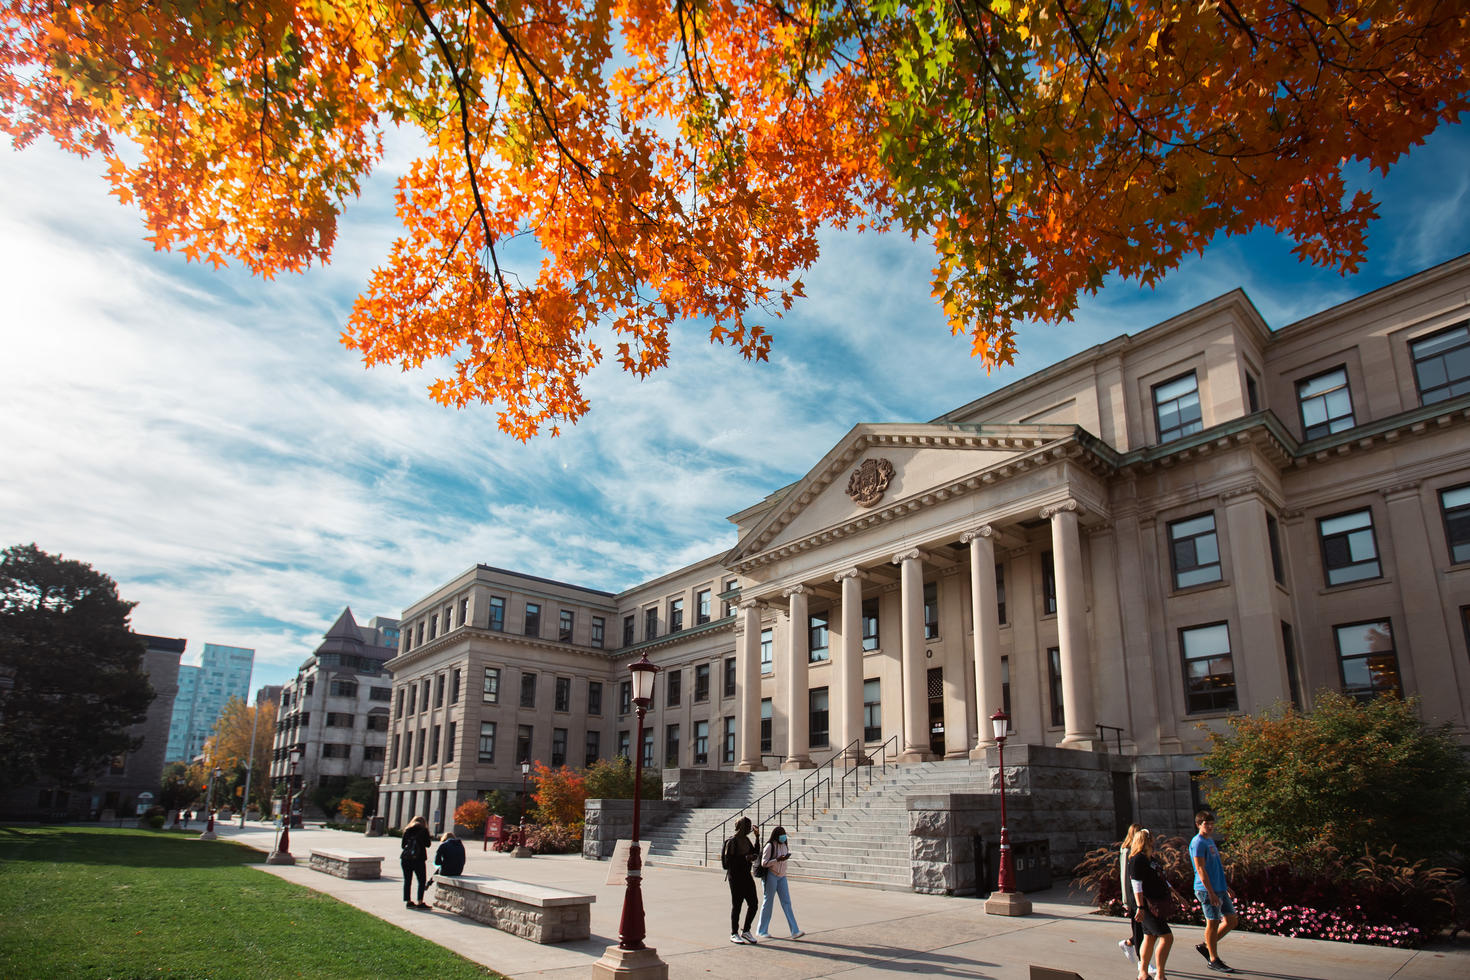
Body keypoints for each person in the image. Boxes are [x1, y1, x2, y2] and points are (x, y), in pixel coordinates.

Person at [1190, 810, 1238, 973]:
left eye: (1211, 824)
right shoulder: (1197, 843)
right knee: (1213, 922)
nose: (1210, 827)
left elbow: (1215, 866)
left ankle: (1206, 946)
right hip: (1207, 889)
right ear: (1198, 825)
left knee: (1231, 920)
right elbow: (1200, 869)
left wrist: (1226, 887)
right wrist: (1210, 892)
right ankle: (1213, 959)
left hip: (1219, 888)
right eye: (1206, 824)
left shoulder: (1209, 840)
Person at [1129, 829, 1180, 980]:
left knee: (1149, 937)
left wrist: (1177, 895)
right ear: (1144, 840)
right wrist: (1140, 907)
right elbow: (1136, 884)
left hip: (1156, 904)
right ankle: (1160, 975)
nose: (1153, 839)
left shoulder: (1151, 859)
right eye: (1150, 837)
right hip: (1147, 905)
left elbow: (1162, 878)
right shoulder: (1137, 859)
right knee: (1166, 937)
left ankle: (1143, 974)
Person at [754, 824, 803, 940]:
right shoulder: (770, 846)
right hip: (771, 875)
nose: (783, 836)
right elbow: (764, 863)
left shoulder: (784, 845)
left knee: (787, 902)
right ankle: (762, 930)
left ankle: (795, 930)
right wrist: (777, 860)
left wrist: (784, 859)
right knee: (768, 902)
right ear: (776, 835)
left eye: (784, 834)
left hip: (782, 876)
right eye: (781, 834)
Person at [722, 816, 759, 944]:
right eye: (747, 826)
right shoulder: (732, 841)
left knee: (753, 904)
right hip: (736, 877)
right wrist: (745, 858)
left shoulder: (746, 840)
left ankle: (746, 930)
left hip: (746, 875)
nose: (749, 828)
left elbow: (755, 852)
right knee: (737, 905)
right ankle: (734, 933)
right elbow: (727, 862)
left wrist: (757, 837)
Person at [1118, 824, 1143, 965]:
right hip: (1133, 897)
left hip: (1142, 895)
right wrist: (1126, 900)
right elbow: (1124, 876)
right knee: (1139, 929)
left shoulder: (1141, 851)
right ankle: (1143, 962)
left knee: (1145, 930)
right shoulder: (1127, 850)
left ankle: (1128, 943)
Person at [400, 815, 433, 909]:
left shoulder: (407, 830)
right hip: (419, 858)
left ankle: (408, 901)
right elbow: (428, 844)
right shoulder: (424, 830)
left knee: (407, 880)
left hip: (406, 859)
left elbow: (403, 845)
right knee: (421, 880)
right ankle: (420, 901)